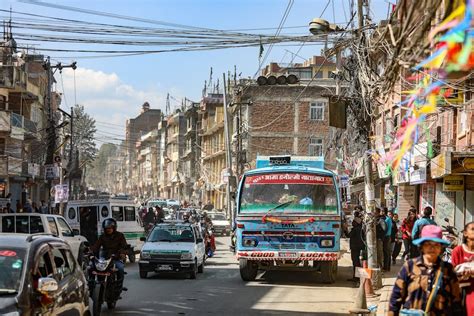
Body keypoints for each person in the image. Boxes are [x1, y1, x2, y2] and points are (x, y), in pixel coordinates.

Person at [388, 225, 462, 315]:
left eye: (436, 245)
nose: (432, 248)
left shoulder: (448, 269)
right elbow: (396, 298)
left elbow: (456, 301)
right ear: (421, 247)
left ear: (441, 248)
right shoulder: (409, 266)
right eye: (428, 244)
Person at [90, 218, 128, 290]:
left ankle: (119, 287)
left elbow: (125, 247)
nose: (108, 230)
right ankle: (90, 285)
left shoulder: (120, 236)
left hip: (116, 258)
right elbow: (96, 246)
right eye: (106, 228)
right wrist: (90, 251)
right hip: (105, 258)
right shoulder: (102, 237)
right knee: (91, 267)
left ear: (114, 228)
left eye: (110, 228)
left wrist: (122, 253)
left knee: (120, 268)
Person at [451, 221, 474, 316]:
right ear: (465, 233)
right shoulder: (458, 250)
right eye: (472, 229)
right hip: (460, 292)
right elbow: (452, 275)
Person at [348, 211, 365, 281]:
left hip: (355, 247)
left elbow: (349, 235)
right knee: (357, 261)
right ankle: (357, 277)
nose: (352, 223)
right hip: (359, 247)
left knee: (355, 262)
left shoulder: (355, 229)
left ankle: (356, 277)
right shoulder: (360, 229)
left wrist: (345, 229)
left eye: (353, 222)